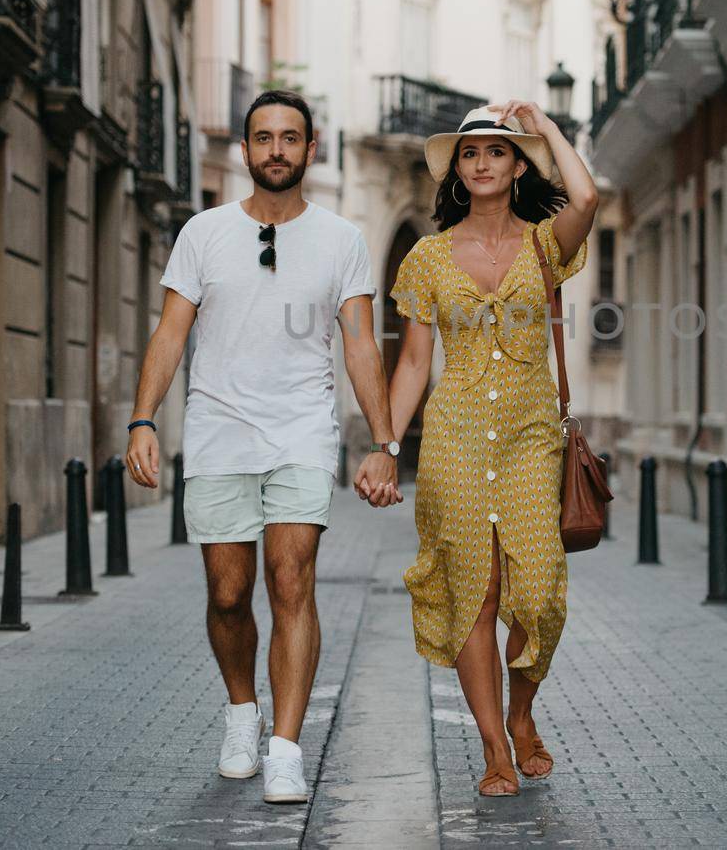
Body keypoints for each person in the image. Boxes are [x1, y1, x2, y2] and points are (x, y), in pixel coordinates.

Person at [125, 90, 402, 805]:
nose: (276, 149)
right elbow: (170, 334)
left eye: (289, 137)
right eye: (262, 137)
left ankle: (285, 747)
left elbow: (361, 344)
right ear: (246, 150)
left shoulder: (343, 239)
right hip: (219, 433)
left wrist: (385, 440)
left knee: (291, 581)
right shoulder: (203, 233)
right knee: (226, 594)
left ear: (311, 150)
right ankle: (240, 714)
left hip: (302, 433)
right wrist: (142, 419)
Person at [381, 99, 599, 797]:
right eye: (470, 154)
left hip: (533, 436)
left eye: (497, 151)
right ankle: (494, 746)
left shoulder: (545, 246)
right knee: (476, 592)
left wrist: (547, 131)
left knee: (538, 590)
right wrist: (386, 444)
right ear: (457, 172)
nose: (481, 163)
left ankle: (522, 711)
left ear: (517, 164)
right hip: (455, 438)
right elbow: (414, 364)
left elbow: (587, 195)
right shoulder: (427, 257)